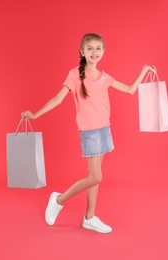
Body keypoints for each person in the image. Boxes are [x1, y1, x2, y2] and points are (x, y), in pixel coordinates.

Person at [22, 33, 156, 234]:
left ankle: (90, 217)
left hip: (104, 130)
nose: (95, 52)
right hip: (90, 132)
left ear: (103, 51)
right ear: (82, 52)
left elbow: (129, 90)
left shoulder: (104, 77)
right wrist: (35, 114)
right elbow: (57, 99)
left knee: (94, 177)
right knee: (96, 177)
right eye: (90, 48)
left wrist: (144, 70)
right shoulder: (75, 75)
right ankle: (58, 200)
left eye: (98, 48)